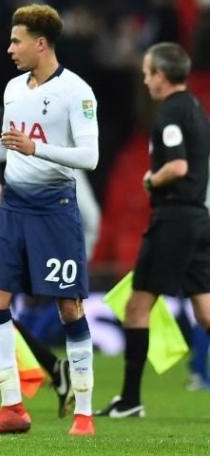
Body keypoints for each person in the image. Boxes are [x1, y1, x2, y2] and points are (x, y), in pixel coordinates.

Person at [0, 3, 99, 436]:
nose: (9, 48)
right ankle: (12, 408)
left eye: (16, 41)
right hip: (14, 206)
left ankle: (85, 413)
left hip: (55, 209)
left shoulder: (77, 92)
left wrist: (37, 150)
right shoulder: (14, 89)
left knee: (69, 306)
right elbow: (10, 144)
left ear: (40, 43)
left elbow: (89, 157)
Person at [96, 42, 210, 417]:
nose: (145, 80)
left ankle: (129, 400)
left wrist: (151, 179)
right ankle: (129, 400)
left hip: (174, 218)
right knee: (206, 310)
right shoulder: (195, 106)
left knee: (137, 306)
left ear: (161, 75)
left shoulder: (171, 114)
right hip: (197, 217)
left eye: (148, 73)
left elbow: (176, 168)